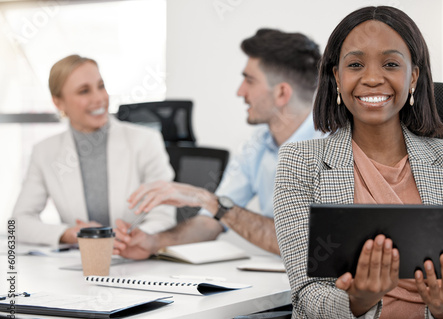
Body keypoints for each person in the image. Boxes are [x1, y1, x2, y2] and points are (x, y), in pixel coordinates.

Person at [273, 6, 443, 319]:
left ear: (412, 76)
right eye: (355, 64)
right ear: (337, 76)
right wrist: (358, 301)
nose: (372, 78)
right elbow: (307, 296)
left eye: (390, 64)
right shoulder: (300, 163)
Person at [114, 28, 324, 259]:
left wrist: (208, 200)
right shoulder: (257, 146)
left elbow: (305, 243)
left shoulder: (336, 149)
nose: (240, 91)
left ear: (282, 93)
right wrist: (153, 242)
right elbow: (211, 221)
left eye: (249, 81)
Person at [12, 55, 176, 247]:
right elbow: (18, 223)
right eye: (84, 91)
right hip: (80, 264)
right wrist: (68, 233)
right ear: (59, 103)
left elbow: (164, 215)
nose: (99, 98)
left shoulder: (145, 141)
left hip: (137, 260)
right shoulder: (44, 152)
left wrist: (136, 237)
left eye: (101, 86)